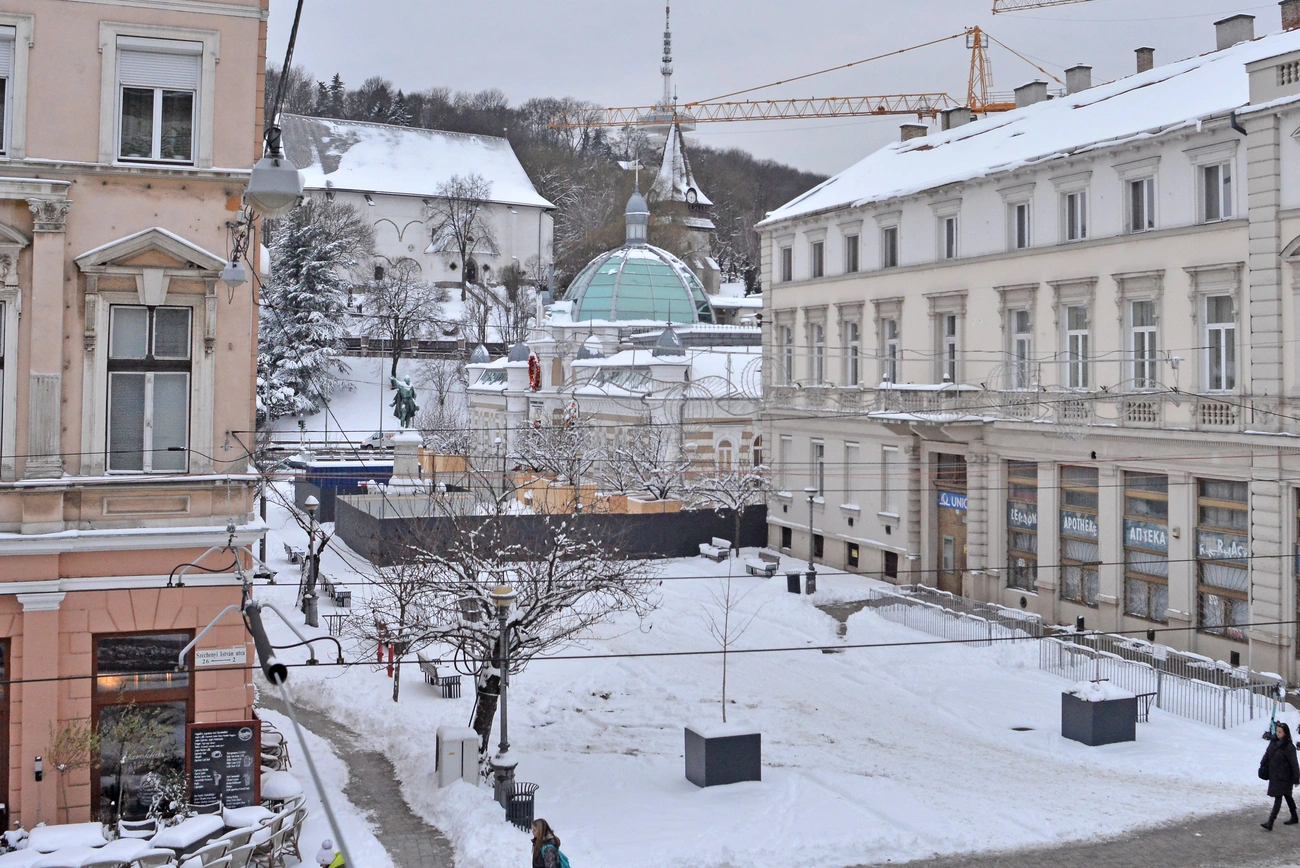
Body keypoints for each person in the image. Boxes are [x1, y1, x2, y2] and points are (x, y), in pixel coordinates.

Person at [1261, 721, 1300, 830]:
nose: (1278, 734)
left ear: (1286, 733)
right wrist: (1262, 764)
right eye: (1277, 731)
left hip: (1285, 777)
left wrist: (1296, 778)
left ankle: (1270, 822)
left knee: (1278, 797)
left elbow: (1294, 763)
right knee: (1287, 795)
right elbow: (1267, 753)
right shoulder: (1273, 742)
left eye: (1280, 732)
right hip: (1275, 775)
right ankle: (1294, 816)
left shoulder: (1289, 747)